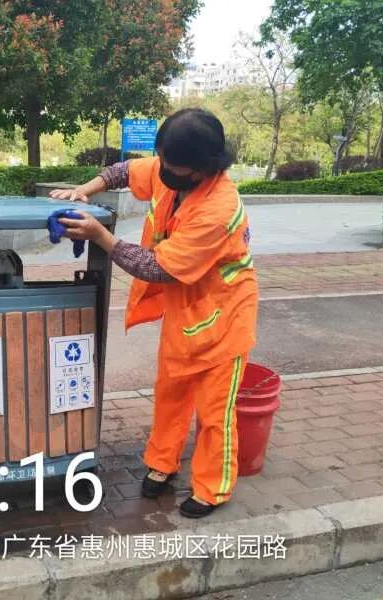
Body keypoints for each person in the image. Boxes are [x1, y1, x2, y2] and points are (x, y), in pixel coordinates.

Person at [50, 108, 258, 518]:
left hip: (226, 317)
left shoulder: (218, 209)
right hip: (187, 313)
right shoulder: (171, 168)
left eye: (173, 167)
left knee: (215, 412)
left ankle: (212, 488)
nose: (163, 172)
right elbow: (124, 172)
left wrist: (102, 237)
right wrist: (85, 189)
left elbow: (157, 267)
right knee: (170, 394)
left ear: (203, 168)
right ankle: (162, 463)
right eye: (162, 160)